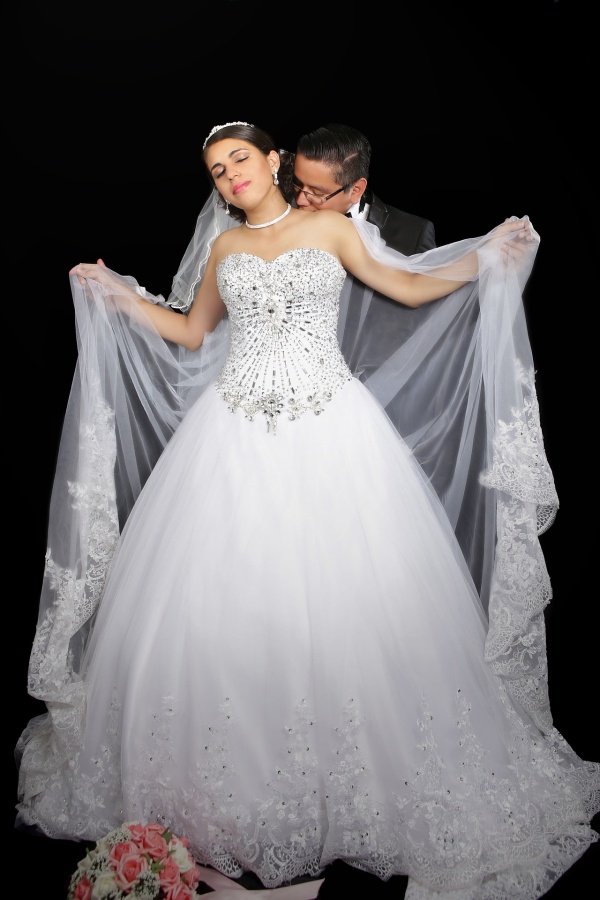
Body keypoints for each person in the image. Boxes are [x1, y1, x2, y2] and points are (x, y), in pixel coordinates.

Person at [15, 122, 599, 900]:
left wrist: (486, 257)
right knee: (223, 606)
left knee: (346, 598)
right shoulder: (224, 249)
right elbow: (191, 333)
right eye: (217, 170)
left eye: (240, 160)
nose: (230, 176)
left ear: (273, 160)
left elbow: (406, 286)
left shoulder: (330, 228)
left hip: (331, 429)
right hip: (230, 434)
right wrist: (119, 296)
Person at [293, 122, 436, 255]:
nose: (300, 200)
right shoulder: (284, 210)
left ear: (356, 190)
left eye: (317, 193)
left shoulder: (415, 234)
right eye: (297, 183)